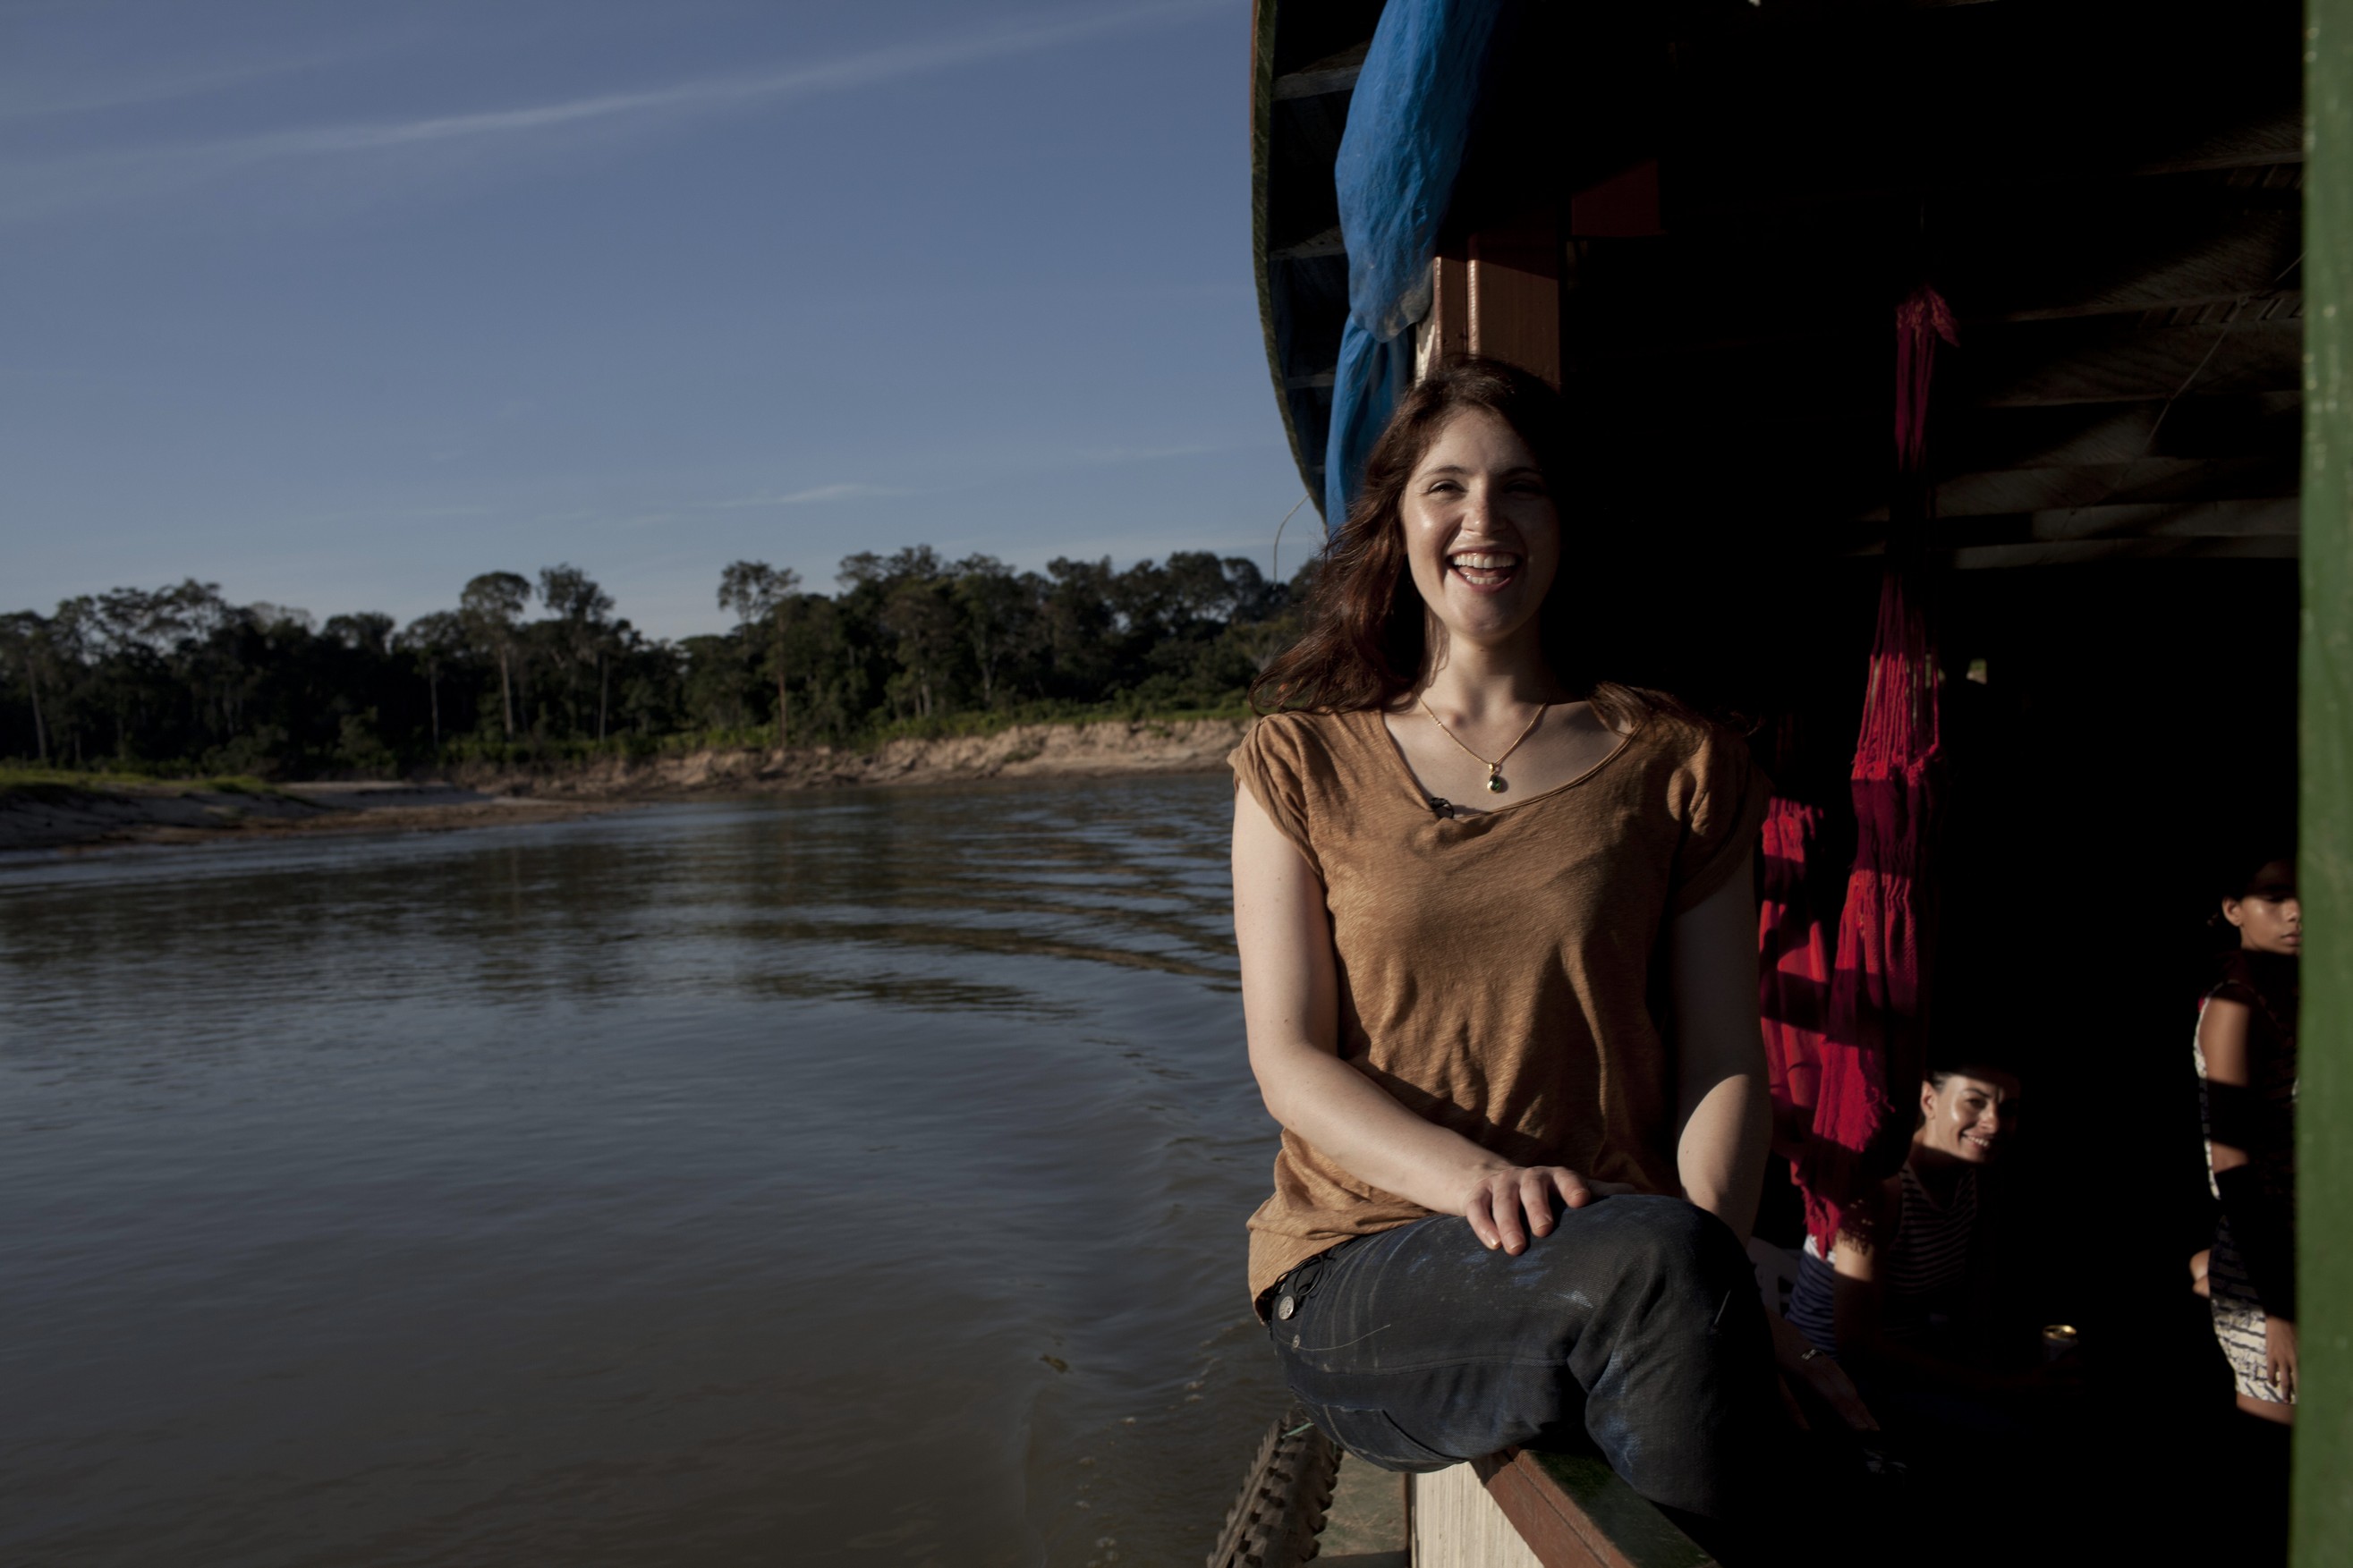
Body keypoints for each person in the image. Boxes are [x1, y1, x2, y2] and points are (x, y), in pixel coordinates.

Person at [1227, 358, 1858, 1532]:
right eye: (1445, 487)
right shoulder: (1298, 763)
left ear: (1563, 523)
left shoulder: (1679, 764)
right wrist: (1478, 1183)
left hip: (1617, 1255)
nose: (1483, 520)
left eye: (1520, 488)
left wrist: (1710, 1286)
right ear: (1396, 523)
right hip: (1362, 1263)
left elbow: (1725, 1055)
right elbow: (1288, 1062)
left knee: (1701, 1317)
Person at [1783, 1062, 2027, 1421]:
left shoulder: (1974, 1179)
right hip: (1829, 1377)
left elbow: (1975, 1304)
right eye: (1975, 1102)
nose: (1994, 1122)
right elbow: (1858, 1348)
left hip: (1908, 1357)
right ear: (1928, 1099)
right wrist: (2000, 1386)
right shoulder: (1880, 1191)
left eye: (2007, 1110)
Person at [2192, 856, 2299, 1425]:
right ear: (2233, 910)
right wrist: (2278, 1312)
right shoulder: (2237, 1007)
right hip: (2271, 1268)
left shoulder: (2302, 991)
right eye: (2276, 897)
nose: (2298, 913)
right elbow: (2232, 1165)